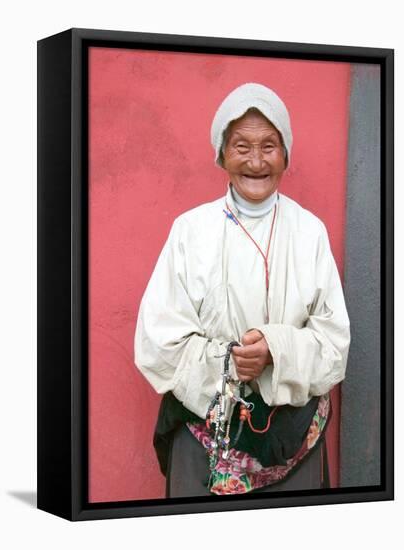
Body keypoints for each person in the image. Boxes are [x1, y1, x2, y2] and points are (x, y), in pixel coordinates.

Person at [134, 82, 350, 497]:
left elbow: (334, 346)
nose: (255, 161)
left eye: (269, 146)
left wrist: (275, 350)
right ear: (222, 153)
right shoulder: (190, 231)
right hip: (204, 438)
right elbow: (157, 342)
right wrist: (227, 363)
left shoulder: (309, 233)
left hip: (293, 439)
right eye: (241, 146)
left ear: (286, 153)